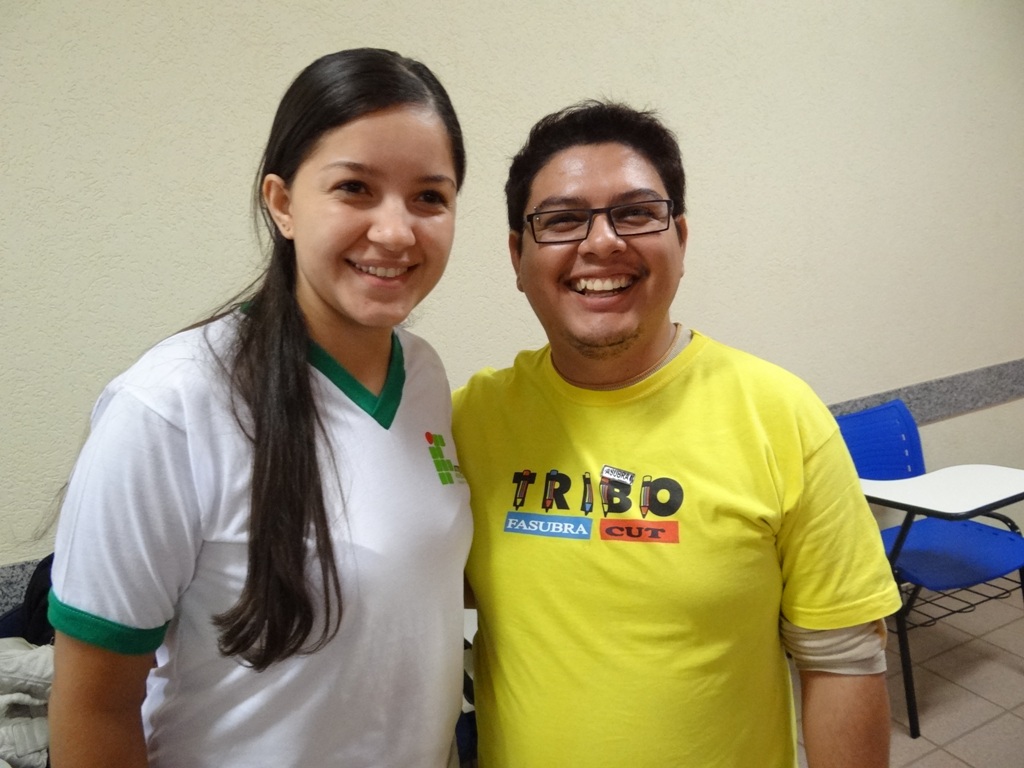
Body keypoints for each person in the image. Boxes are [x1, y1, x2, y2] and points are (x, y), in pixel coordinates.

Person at [47, 48, 472, 768]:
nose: (396, 231)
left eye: (430, 197)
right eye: (355, 188)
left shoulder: (425, 376)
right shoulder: (171, 407)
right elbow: (94, 706)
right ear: (282, 203)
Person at [452, 101, 902, 767]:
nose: (601, 242)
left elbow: (842, 659)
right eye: (562, 220)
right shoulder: (468, 421)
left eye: (636, 213)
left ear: (681, 240)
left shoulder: (780, 416)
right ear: (518, 257)